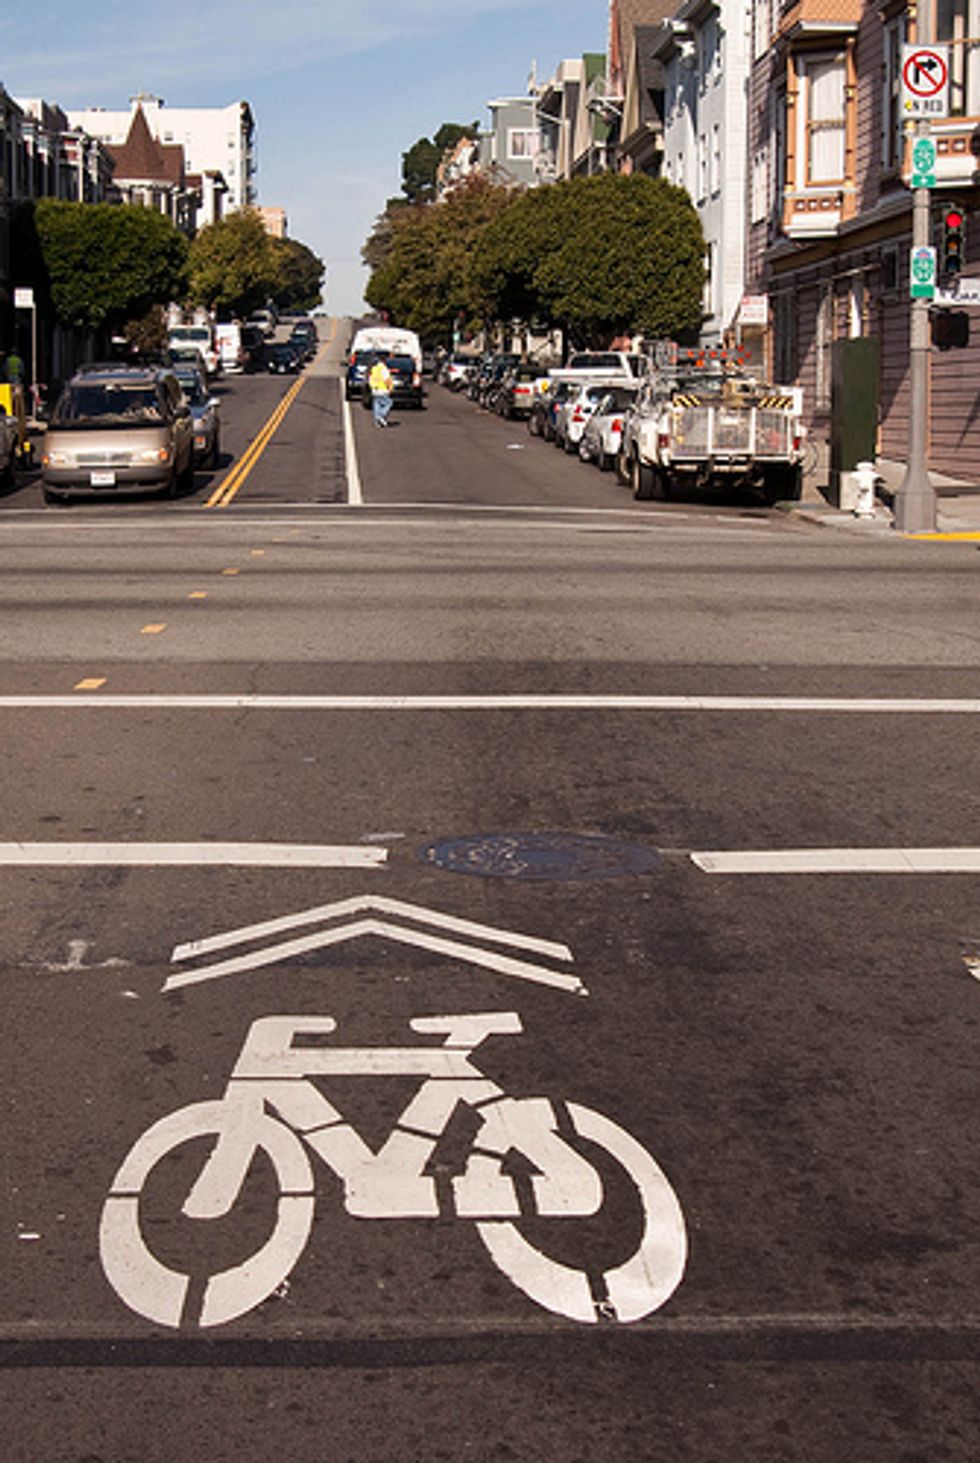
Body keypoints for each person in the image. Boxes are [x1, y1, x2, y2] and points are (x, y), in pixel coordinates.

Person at [368, 355, 393, 427]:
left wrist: (372, 387)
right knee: (389, 403)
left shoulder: (373, 369)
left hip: (375, 390)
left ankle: (377, 421)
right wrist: (390, 388)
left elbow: (370, 379)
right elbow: (387, 379)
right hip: (383, 389)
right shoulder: (383, 369)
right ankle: (381, 416)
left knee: (377, 404)